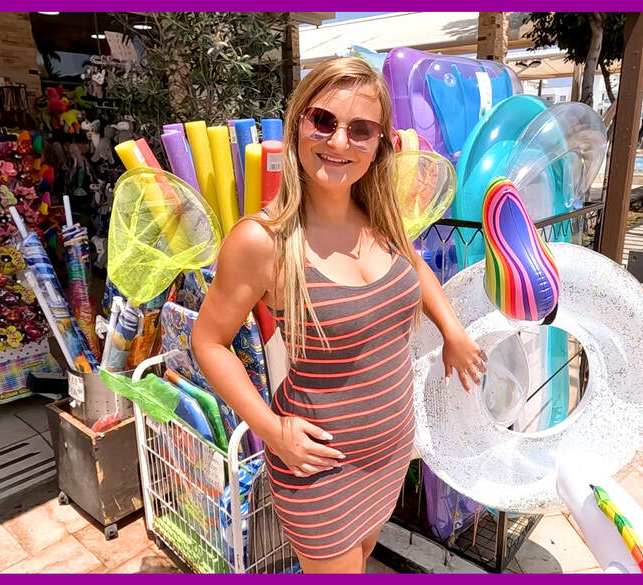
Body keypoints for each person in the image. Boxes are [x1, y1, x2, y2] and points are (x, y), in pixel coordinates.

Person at [192, 56, 486, 573]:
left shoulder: (380, 217)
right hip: (320, 468)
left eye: (361, 129)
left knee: (363, 558)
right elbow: (208, 341)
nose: (339, 141)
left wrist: (451, 328)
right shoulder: (263, 241)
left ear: (379, 144)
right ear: (298, 124)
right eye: (324, 121)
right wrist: (272, 429)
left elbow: (415, 266)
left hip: (390, 451)